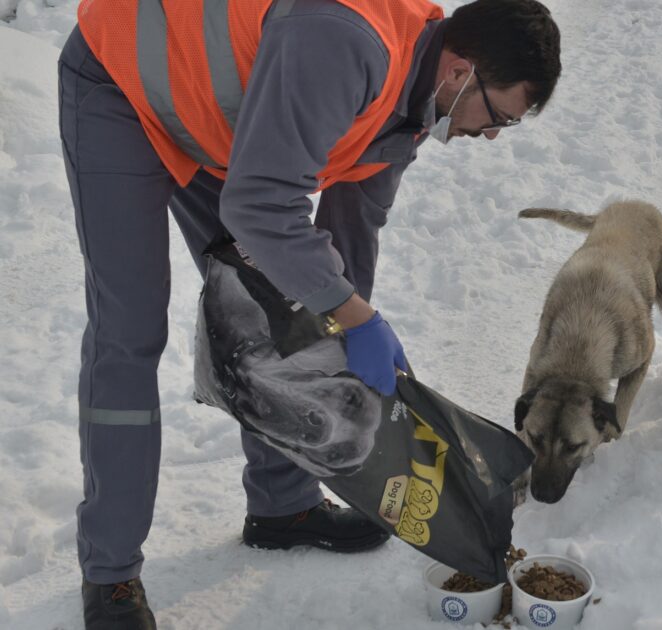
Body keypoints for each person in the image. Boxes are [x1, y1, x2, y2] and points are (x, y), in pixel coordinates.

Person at [57, 0, 561, 627]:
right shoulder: (346, 45)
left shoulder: (411, 111)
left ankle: (283, 506)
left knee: (278, 308)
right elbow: (262, 208)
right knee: (129, 331)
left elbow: (348, 242)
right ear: (459, 72)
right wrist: (353, 319)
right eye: (499, 118)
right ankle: (111, 577)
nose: (489, 135)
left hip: (217, 125)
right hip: (122, 86)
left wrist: (347, 328)